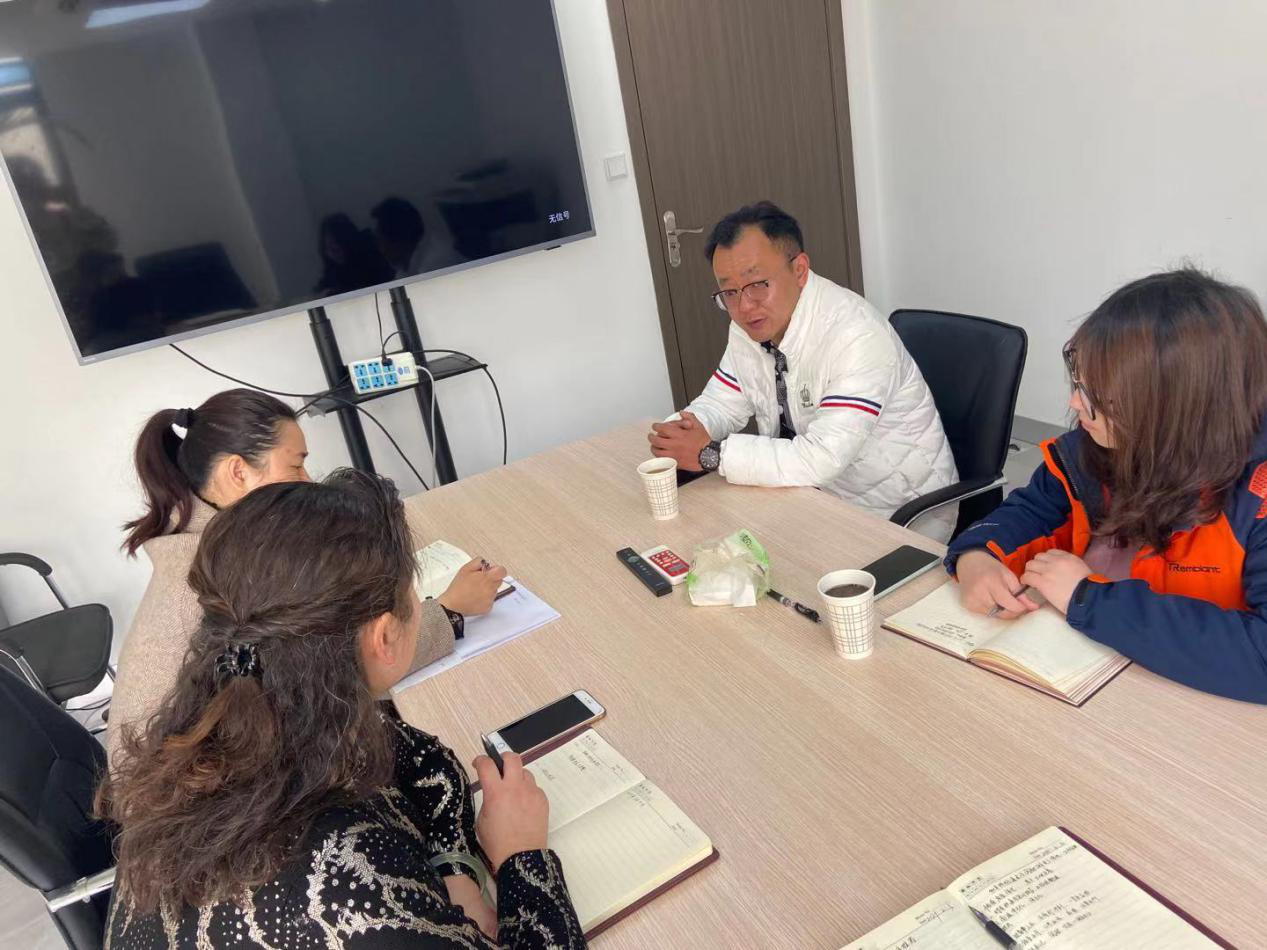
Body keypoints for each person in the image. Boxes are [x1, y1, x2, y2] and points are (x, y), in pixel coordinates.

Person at [98, 470, 586, 947]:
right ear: (384, 636)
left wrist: (457, 873)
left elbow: (422, 762)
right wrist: (521, 855)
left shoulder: (236, 714)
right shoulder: (352, 897)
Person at [108, 388, 505, 765]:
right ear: (238, 472)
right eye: (296, 465)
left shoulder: (215, 541)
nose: (308, 481)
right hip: (206, 788)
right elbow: (332, 667)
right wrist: (449, 611)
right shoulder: (228, 573)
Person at [947, 268, 1267, 703]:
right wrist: (976, 555)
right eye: (1081, 383)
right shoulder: (1090, 451)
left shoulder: (1254, 497)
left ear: (1178, 406)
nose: (1074, 402)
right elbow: (1031, 511)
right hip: (1095, 680)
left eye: (1102, 395)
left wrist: (1090, 599)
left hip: (1201, 707)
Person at [648, 201, 958, 539]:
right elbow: (723, 401)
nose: (744, 306)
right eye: (730, 292)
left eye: (757, 284)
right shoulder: (749, 327)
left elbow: (823, 457)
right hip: (811, 497)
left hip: (896, 517)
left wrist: (711, 455)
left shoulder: (856, 335)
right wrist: (679, 432)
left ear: (799, 270)